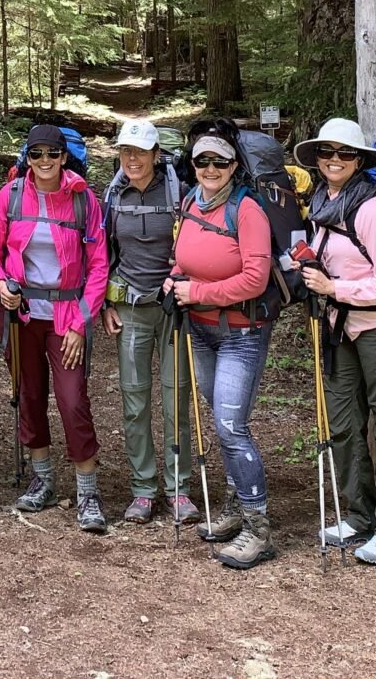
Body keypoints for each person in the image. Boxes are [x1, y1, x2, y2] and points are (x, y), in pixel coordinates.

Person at [293, 117, 376, 566]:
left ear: (359, 160)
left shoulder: (373, 208)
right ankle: (360, 515)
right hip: (340, 329)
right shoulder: (322, 201)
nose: (334, 160)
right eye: (326, 152)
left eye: (344, 153)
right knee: (344, 424)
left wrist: (335, 289)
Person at [0, 122, 111, 534]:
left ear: (64, 157)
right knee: (29, 395)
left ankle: (87, 491)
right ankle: (43, 479)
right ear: (28, 157)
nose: (44, 161)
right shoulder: (11, 195)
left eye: (52, 153)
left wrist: (81, 322)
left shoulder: (83, 199)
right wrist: (1, 284)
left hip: (67, 316)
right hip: (21, 315)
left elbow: (99, 266)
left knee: (72, 400)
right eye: (36, 154)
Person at [165, 124, 278, 569]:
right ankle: (236, 505)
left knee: (231, 426)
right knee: (221, 419)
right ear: (192, 165)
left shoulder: (247, 210)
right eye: (202, 161)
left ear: (234, 166)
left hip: (241, 334)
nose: (210, 168)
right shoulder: (191, 201)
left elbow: (256, 279)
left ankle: (258, 528)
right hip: (201, 330)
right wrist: (174, 280)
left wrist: (197, 293)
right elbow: (183, 258)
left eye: (219, 161)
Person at [100, 117, 199, 526]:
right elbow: (102, 253)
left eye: (140, 152)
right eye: (126, 151)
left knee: (176, 398)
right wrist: (105, 304)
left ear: (156, 155)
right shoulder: (112, 195)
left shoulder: (180, 193)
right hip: (130, 309)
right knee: (134, 401)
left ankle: (179, 489)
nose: (133, 159)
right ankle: (143, 489)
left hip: (174, 309)